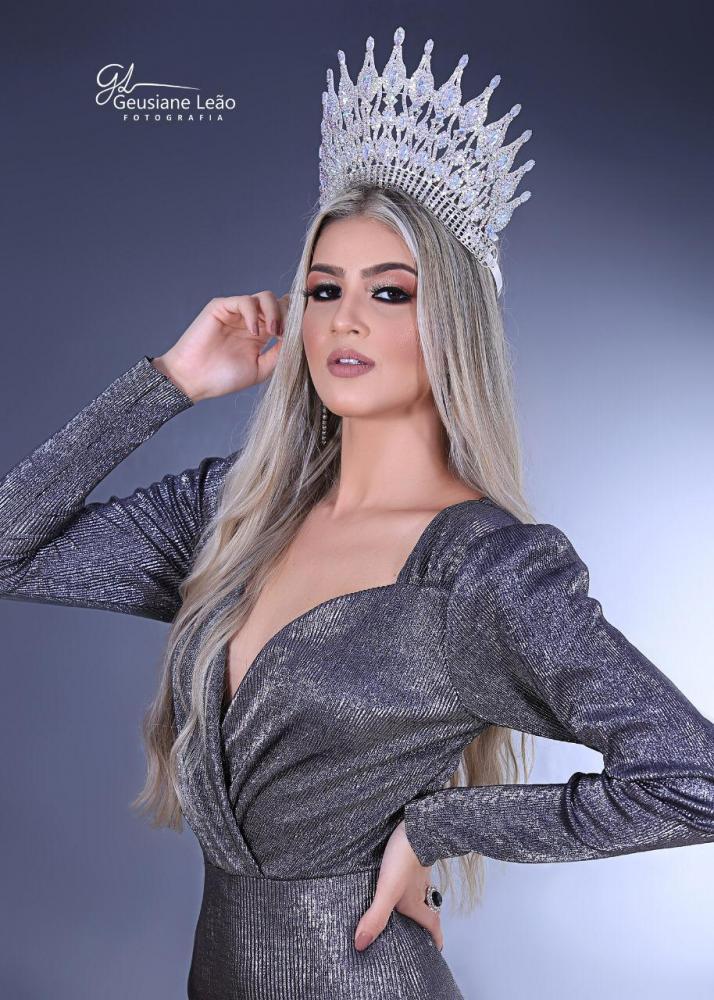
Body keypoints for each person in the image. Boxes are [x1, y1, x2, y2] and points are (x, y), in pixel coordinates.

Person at [2, 26, 714, 1000]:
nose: (345, 318)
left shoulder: (485, 572)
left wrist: (442, 826)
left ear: (452, 321)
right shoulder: (231, 514)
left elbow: (691, 778)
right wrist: (168, 382)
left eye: (389, 292)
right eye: (325, 288)